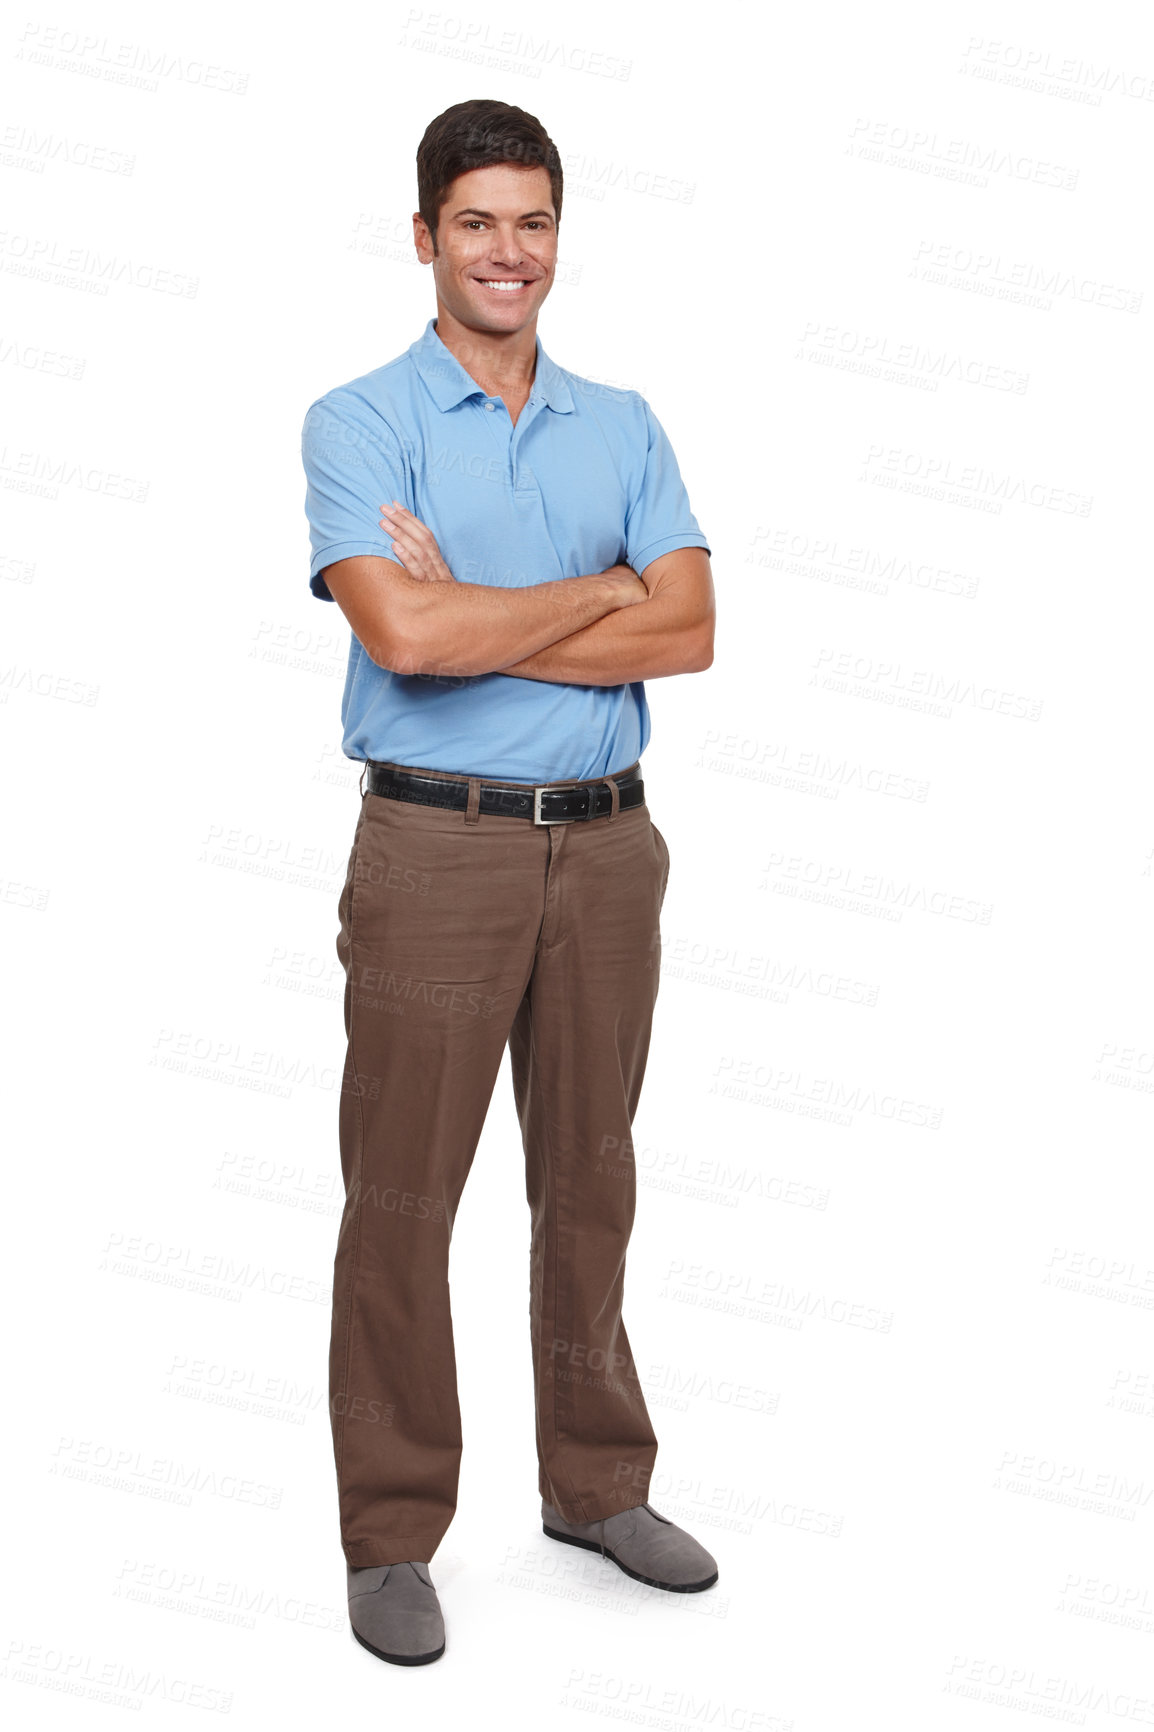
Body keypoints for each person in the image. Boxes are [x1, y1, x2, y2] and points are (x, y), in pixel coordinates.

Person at [300, 98, 718, 1667]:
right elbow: (401, 641)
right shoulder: (359, 422)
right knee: (403, 1199)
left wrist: (486, 602)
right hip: (435, 848)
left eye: (530, 221)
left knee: (590, 1181)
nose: (506, 251)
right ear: (424, 239)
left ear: (559, 236)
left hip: (610, 847)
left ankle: (597, 1486)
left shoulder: (623, 420)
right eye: (474, 222)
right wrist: (595, 587)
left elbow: (689, 629)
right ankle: (393, 1531)